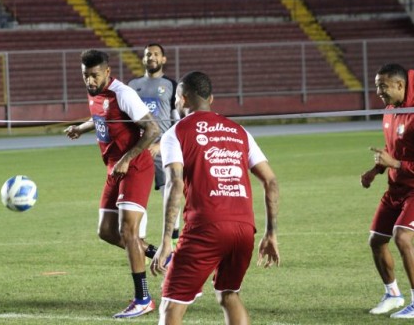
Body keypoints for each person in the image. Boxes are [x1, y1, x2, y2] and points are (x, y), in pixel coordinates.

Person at [150, 71, 280, 325]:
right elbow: (271, 181)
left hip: (206, 227)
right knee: (229, 294)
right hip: (244, 229)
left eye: (177, 99)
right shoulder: (239, 131)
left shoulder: (175, 134)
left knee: (171, 304)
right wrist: (271, 233)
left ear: (182, 99)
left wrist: (166, 240)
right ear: (211, 98)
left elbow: (175, 184)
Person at [65, 49, 161, 318]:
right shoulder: (95, 92)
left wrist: (128, 159)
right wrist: (80, 129)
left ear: (108, 71)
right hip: (114, 168)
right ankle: (163, 254)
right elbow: (101, 119)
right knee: (106, 231)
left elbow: (153, 129)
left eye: (95, 75)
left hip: (135, 166)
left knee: (128, 231)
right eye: (86, 76)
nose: (90, 81)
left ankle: (143, 298)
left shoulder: (124, 94)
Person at [361, 63, 414, 319]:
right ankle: (393, 294)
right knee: (376, 240)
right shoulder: (390, 111)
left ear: (400, 85)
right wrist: (375, 172)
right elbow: (391, 150)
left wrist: (395, 164)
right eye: (376, 86)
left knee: (402, 238)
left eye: (382, 86)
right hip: (396, 188)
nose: (378, 91)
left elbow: (396, 160)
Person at [128, 43, 182, 243]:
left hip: (162, 149)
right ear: (143, 59)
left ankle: (174, 244)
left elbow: (178, 122)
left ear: (163, 59)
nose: (151, 57)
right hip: (139, 148)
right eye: (148, 54)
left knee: (169, 195)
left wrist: (161, 145)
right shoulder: (132, 86)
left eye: (156, 54)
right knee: (136, 197)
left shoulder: (171, 85)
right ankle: (139, 243)